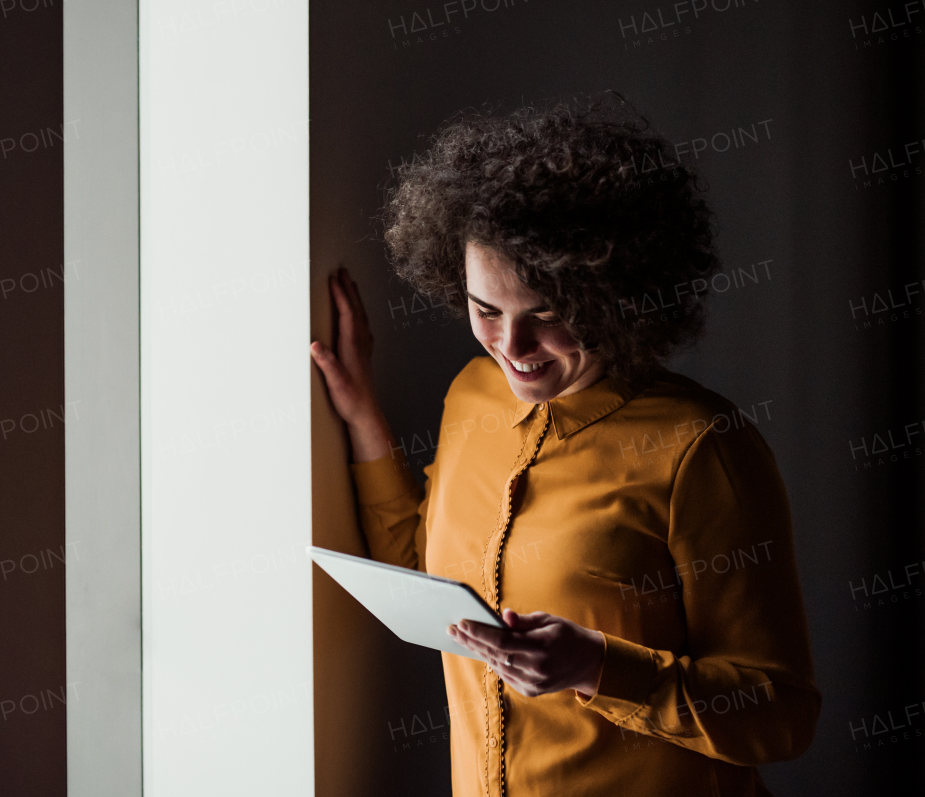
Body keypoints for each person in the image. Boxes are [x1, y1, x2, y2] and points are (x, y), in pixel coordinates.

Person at [310, 99, 819, 796]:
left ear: (617, 297)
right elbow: (431, 577)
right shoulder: (472, 395)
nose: (511, 349)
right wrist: (363, 419)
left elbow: (781, 718)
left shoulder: (702, 448)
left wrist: (599, 670)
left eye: (546, 316)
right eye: (484, 310)